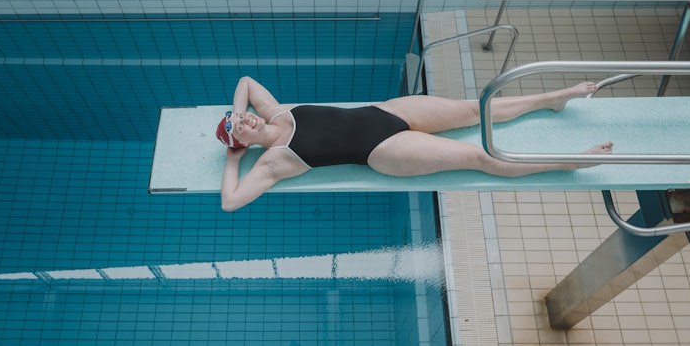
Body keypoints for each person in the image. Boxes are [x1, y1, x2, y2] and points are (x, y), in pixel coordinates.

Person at [216, 76, 613, 211]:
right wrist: (234, 159)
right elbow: (230, 202)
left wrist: (237, 120)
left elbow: (245, 83)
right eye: (240, 125)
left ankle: (552, 99)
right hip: (384, 151)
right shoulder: (271, 163)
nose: (245, 116)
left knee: (473, 109)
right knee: (478, 157)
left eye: (240, 114)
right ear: (242, 142)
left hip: (385, 111)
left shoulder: (274, 111)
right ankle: (567, 163)